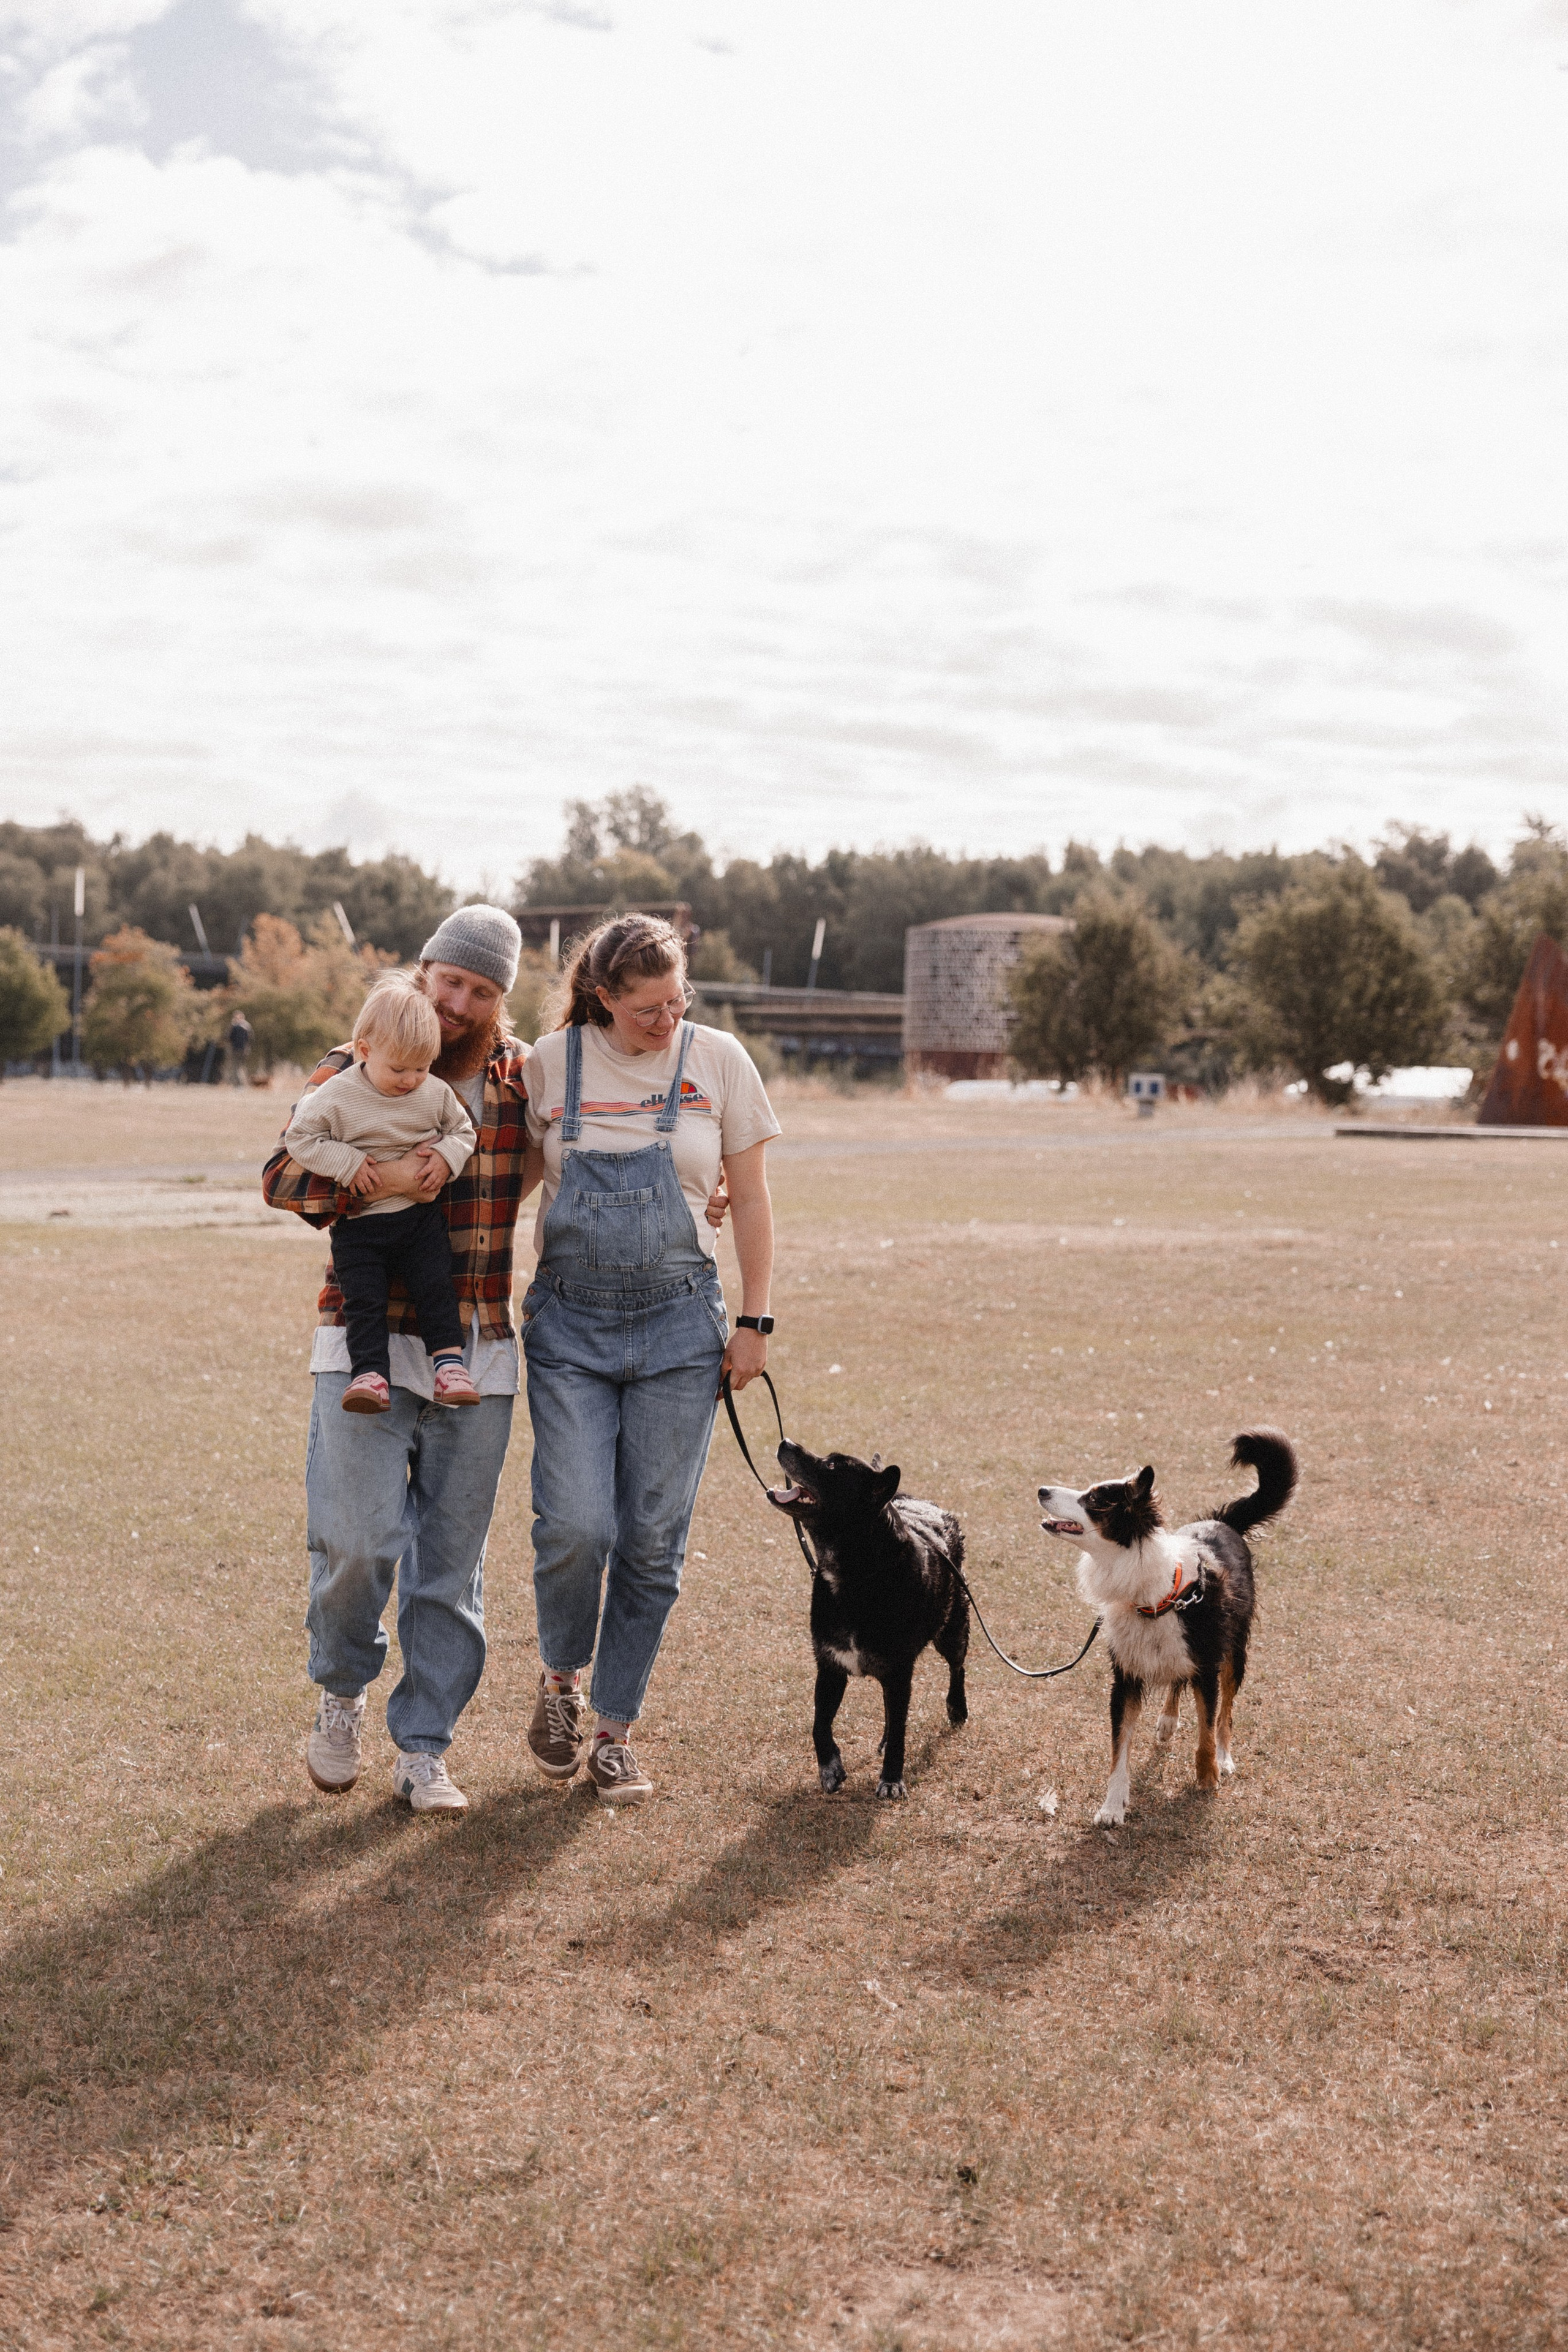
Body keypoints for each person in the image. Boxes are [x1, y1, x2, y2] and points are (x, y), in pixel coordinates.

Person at [262, 905, 531, 1815]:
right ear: (422, 972)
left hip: (475, 1341)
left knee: (450, 1569)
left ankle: (424, 1749)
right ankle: (341, 1694)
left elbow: (594, 1152)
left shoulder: (516, 1076)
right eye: (448, 981)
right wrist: (357, 1174)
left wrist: (709, 1189)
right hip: (363, 1335)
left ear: (499, 1000)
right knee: (357, 1543)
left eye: (481, 990)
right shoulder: (357, 1060)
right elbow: (279, 1175)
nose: (459, 1003)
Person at [521, 912, 779, 1804]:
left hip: (681, 1328)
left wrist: (756, 1320)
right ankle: (560, 1681)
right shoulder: (550, 1066)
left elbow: (746, 1197)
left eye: (678, 1003)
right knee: (576, 1526)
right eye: (645, 1011)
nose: (666, 1022)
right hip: (568, 1328)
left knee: (653, 1540)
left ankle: (614, 1732)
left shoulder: (720, 1060)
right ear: (601, 998)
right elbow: (507, 1183)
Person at [281, 974, 481, 1415]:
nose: (411, 1080)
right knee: (364, 1298)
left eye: (422, 1068)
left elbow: (463, 1131)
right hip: (360, 1228)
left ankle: (449, 1365)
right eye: (398, 1069)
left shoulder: (434, 1092)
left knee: (435, 1286)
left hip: (418, 1218)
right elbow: (300, 1138)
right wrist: (347, 1164)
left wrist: (447, 1156)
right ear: (366, 1051)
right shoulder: (338, 1094)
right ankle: (369, 1376)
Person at [227, 1008, 252, 1086]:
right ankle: (245, 1084)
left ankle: (239, 1085)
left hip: (237, 1049)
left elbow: (229, 1038)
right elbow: (251, 1039)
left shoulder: (235, 1026)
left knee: (236, 1067)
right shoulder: (248, 1026)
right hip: (245, 1050)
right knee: (242, 1067)